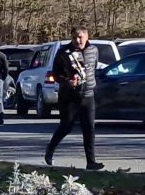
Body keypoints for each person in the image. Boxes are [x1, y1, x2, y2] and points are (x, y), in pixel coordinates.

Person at [44, 27, 103, 170]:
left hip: (88, 95)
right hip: (69, 96)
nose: (77, 40)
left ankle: (91, 162)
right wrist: (67, 81)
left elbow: (93, 69)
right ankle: (50, 150)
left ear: (87, 37)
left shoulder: (93, 50)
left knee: (89, 128)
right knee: (66, 126)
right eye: (74, 37)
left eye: (80, 37)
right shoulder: (64, 53)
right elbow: (55, 75)